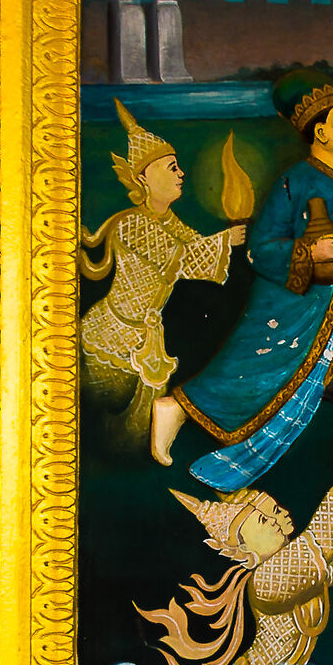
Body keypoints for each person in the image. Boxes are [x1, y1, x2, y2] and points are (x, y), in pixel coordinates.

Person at [155, 69, 333, 489]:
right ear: (321, 132)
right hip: (285, 313)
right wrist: (311, 252)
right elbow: (262, 248)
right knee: (249, 374)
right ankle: (176, 407)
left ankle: (233, 472)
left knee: (299, 398)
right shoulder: (296, 180)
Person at [78, 100, 246, 455]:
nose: (181, 173)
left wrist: (231, 239)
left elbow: (195, 246)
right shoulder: (134, 224)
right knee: (97, 429)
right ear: (143, 178)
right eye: (172, 168)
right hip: (109, 339)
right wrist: (225, 241)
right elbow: (180, 258)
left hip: (147, 338)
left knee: (136, 432)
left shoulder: (168, 222)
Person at [137, 462, 333, 665]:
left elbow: (326, 570)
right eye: (263, 520)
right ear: (241, 547)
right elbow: (314, 544)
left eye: (271, 513)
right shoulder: (263, 580)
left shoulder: (292, 566)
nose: (276, 521)